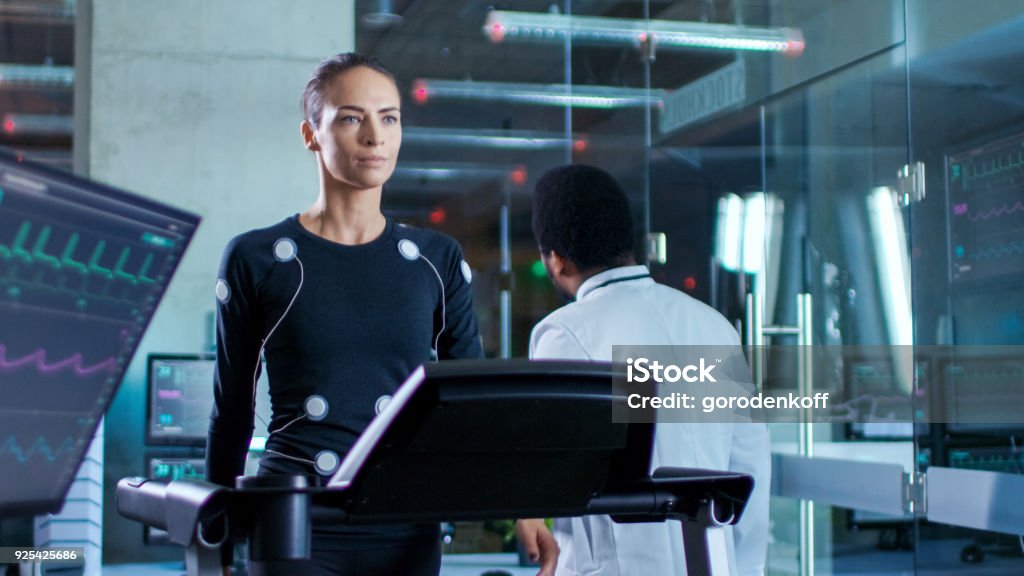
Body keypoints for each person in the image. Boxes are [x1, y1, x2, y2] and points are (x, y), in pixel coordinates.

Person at [206, 52, 483, 576]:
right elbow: (232, 410)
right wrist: (215, 527)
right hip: (291, 519)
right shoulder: (257, 257)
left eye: (390, 117)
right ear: (311, 134)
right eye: (352, 118)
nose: (375, 137)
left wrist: (517, 508)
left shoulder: (436, 259)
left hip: (405, 519)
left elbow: (471, 409)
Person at [516, 164, 771, 575]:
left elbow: (556, 478)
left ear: (556, 260)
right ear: (626, 243)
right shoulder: (713, 325)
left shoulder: (565, 333)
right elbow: (750, 470)